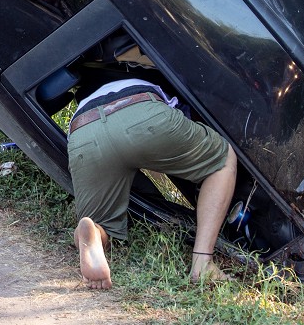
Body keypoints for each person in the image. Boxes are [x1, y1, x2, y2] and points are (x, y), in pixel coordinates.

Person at [66, 77, 238, 290]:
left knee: (101, 221)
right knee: (221, 160)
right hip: (140, 110)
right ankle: (202, 262)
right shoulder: (152, 80)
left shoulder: (92, 95)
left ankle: (93, 231)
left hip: (85, 131)